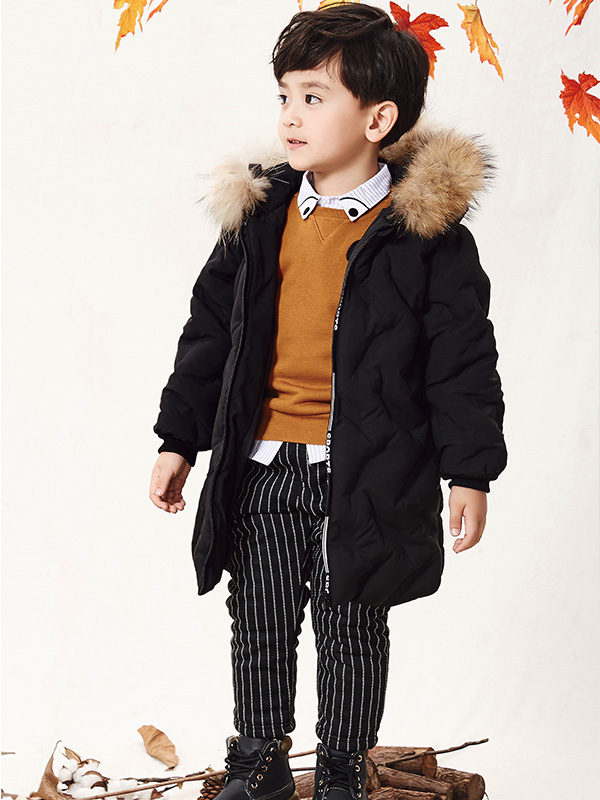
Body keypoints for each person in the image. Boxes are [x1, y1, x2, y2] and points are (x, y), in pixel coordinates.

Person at [149, 5, 508, 800]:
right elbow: (209, 336)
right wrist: (179, 440)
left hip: (368, 473)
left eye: (314, 98)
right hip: (263, 467)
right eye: (285, 96)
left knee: (352, 623)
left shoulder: (425, 238)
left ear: (378, 119)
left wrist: (470, 472)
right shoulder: (259, 219)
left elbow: (462, 362)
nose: (290, 117)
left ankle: (344, 767)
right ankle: (259, 760)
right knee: (260, 617)